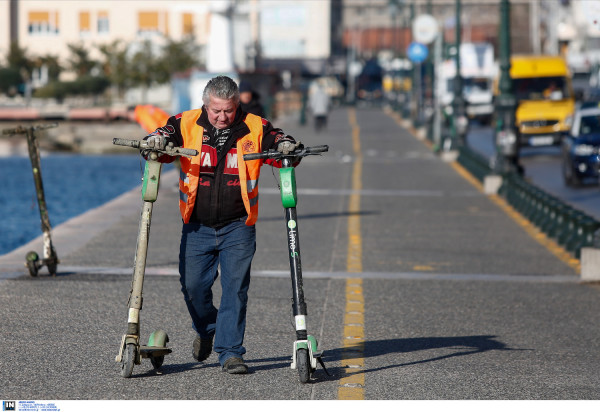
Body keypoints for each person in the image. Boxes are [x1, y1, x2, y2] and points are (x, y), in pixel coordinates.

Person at [143, 75, 300, 374]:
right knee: (192, 288)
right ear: (205, 104)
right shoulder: (183, 123)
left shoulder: (255, 126)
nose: (222, 116)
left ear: (236, 104)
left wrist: (287, 148)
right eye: (216, 110)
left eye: (228, 110)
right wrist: (156, 141)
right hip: (196, 225)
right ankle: (207, 329)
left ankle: (230, 353)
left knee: (235, 289)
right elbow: (160, 142)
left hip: (238, 225)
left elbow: (280, 142)